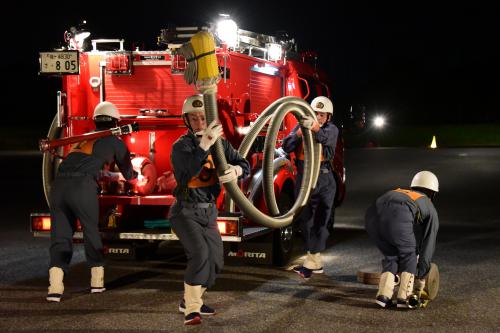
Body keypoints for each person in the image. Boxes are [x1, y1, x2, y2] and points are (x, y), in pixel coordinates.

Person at [47, 101, 139, 302]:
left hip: (59, 187)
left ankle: (55, 288)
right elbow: (129, 173)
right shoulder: (115, 141)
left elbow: (86, 166)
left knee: (61, 236)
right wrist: (134, 176)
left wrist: (112, 177)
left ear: (96, 121)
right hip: (82, 189)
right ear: (115, 122)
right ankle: (97, 283)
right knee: (90, 231)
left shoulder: (82, 139)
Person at [169, 94, 250, 325]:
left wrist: (235, 170)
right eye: (193, 118)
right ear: (187, 121)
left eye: (203, 117)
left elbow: (244, 163)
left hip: (208, 211)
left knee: (215, 261)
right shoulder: (181, 146)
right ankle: (192, 310)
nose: (199, 122)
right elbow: (186, 174)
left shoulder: (221, 144)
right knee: (199, 255)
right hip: (185, 211)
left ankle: (191, 298)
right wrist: (204, 144)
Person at [282, 96, 339, 280]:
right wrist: (299, 133)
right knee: (305, 219)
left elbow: (326, 144)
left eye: (322, 115)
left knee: (321, 219)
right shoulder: (300, 128)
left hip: (323, 178)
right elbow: (286, 146)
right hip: (304, 176)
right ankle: (314, 262)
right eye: (315, 113)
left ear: (328, 117)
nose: (318, 117)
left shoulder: (331, 129)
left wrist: (314, 128)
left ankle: (310, 264)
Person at [365, 171, 439, 308]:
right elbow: (428, 244)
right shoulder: (429, 206)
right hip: (397, 218)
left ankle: (383, 296)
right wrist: (422, 277)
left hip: (371, 217)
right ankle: (403, 298)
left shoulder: (402, 192)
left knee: (391, 254)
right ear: (433, 193)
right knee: (409, 256)